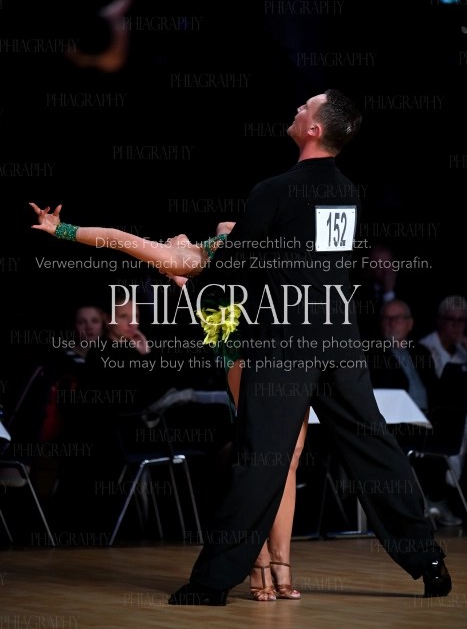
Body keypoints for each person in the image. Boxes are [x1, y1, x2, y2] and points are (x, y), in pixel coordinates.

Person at [29, 90, 452, 603]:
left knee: (262, 458)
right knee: (371, 444)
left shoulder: (274, 191)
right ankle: (428, 561)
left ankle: (214, 582)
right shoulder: (347, 192)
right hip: (337, 334)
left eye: (306, 107)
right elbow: (307, 263)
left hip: (287, 340)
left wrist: (194, 281)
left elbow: (236, 264)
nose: (297, 108)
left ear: (315, 129)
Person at [29, 207, 304, 600]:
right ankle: (258, 561)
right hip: (246, 349)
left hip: (291, 341)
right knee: (261, 458)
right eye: (167, 253)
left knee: (290, 457)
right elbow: (119, 238)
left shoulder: (237, 236)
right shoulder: (194, 257)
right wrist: (63, 230)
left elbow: (235, 227)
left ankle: (282, 563)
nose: (173, 240)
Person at [368, 299, 462, 526]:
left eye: (398, 318)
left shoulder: (421, 352)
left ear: (410, 324)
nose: (392, 323)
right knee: (411, 441)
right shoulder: (373, 353)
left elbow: (435, 390)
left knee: (446, 426)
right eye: (387, 318)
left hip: (429, 417)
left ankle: (435, 499)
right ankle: (422, 504)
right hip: (396, 420)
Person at [419, 295, 467, 490]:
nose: (456, 326)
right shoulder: (425, 348)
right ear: (439, 320)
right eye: (450, 319)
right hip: (439, 417)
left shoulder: (463, 349)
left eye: (461, 320)